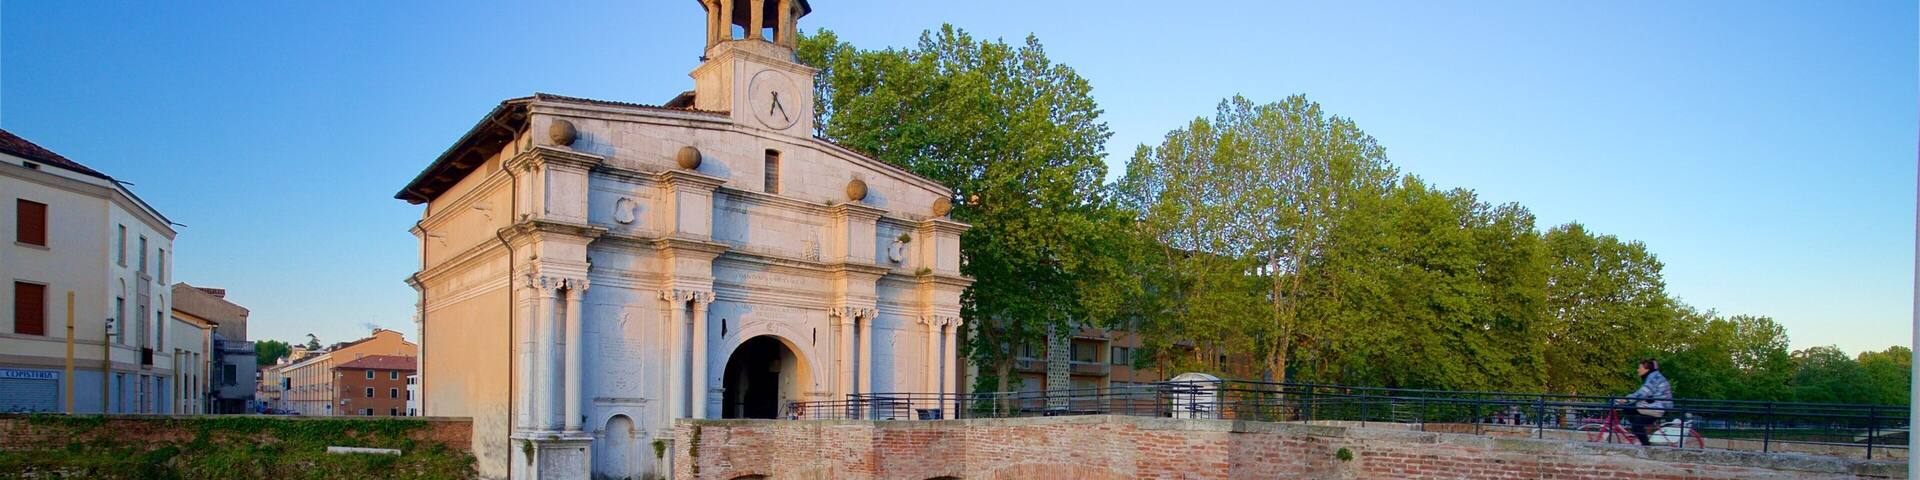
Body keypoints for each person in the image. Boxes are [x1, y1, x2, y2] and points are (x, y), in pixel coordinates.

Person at [1617, 358, 1672, 446]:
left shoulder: (1653, 377)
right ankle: (1638, 433)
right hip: (1656, 405)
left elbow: (1643, 393)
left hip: (1660, 407)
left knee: (1636, 424)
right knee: (1629, 409)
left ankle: (1647, 447)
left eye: (1640, 368)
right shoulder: (1654, 375)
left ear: (1646, 369)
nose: (1638, 370)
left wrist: (1626, 399)